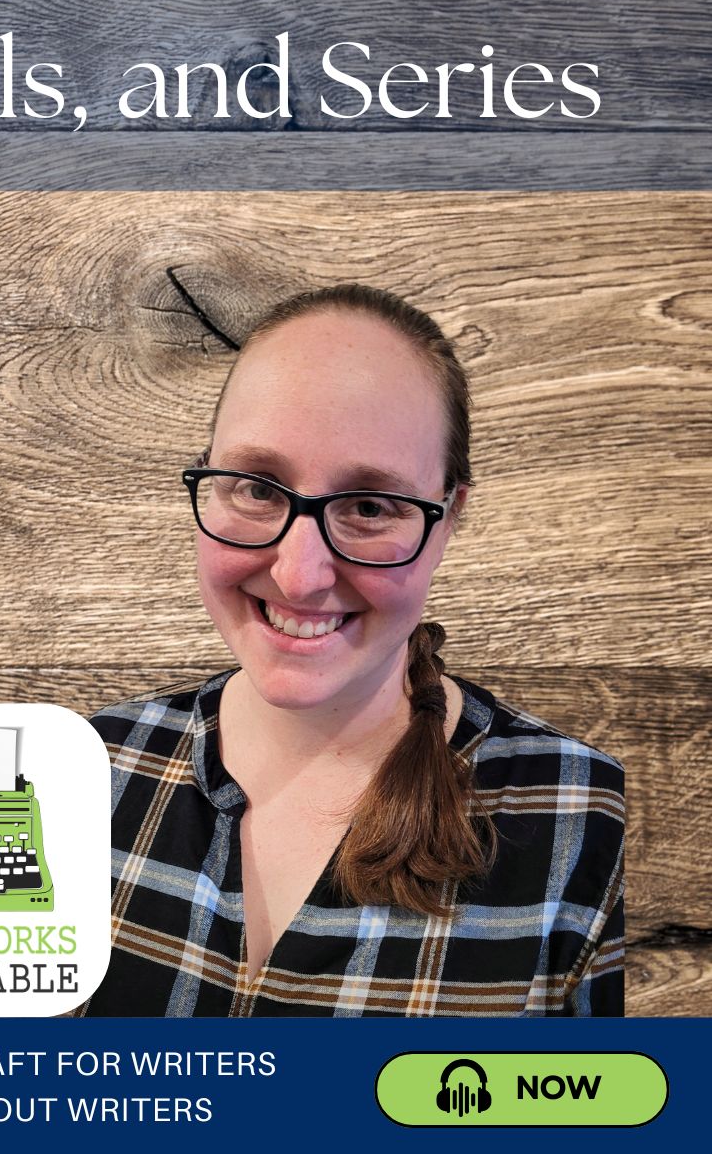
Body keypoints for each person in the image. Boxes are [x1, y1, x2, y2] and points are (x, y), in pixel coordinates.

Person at [86, 284, 624, 1017]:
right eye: (255, 487)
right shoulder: (89, 767)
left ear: (449, 517)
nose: (299, 574)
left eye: (371, 507)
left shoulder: (570, 808)